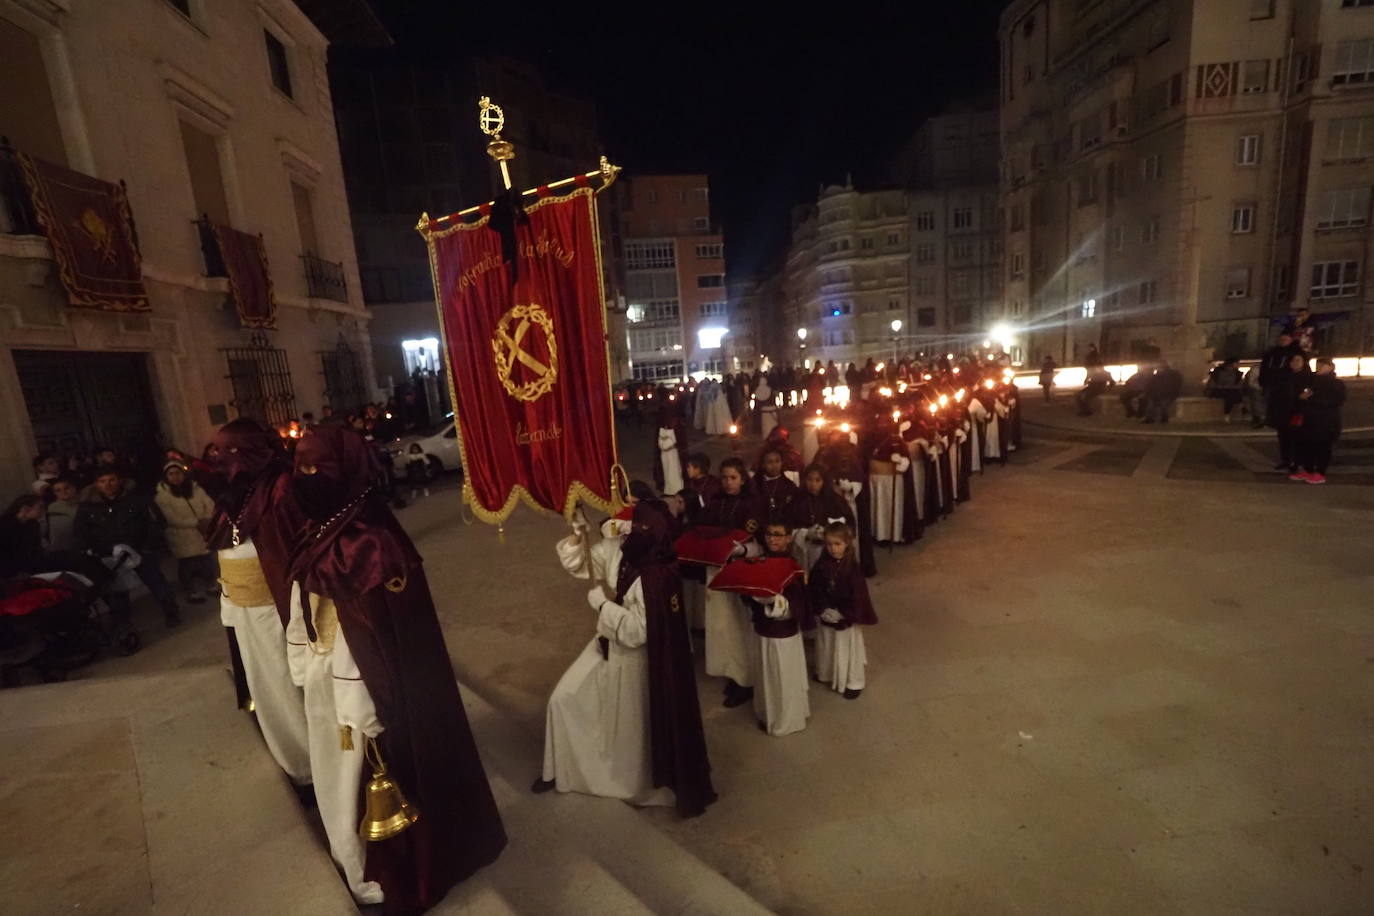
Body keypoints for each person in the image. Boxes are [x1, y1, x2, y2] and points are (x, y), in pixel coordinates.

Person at [287, 426, 506, 909]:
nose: (304, 479)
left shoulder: (372, 541)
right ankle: (351, 855)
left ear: (345, 471)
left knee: (359, 781)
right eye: (299, 467)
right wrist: (302, 661)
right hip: (326, 678)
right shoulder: (322, 528)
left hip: (362, 690)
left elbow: (374, 636)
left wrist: (359, 698)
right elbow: (307, 602)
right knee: (332, 777)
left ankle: (386, 869)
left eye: (315, 468)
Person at [539, 498, 717, 817]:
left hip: (637, 660)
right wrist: (579, 532)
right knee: (563, 697)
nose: (620, 530)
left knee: (629, 728)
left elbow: (638, 633)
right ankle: (559, 768)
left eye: (630, 526)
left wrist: (602, 606)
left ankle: (618, 778)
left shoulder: (657, 575)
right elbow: (581, 564)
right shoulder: (622, 547)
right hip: (608, 639)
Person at [205, 419, 312, 786]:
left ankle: (318, 764)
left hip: (284, 609)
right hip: (248, 612)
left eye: (229, 451)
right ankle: (299, 765)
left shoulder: (281, 487)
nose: (220, 459)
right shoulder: (234, 494)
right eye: (216, 450)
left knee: (293, 683)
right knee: (269, 688)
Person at [75, 468, 182, 627]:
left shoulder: (137, 499)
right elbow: (81, 531)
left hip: (139, 550)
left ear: (119, 481)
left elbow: (156, 522)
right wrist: (95, 550)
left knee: (156, 582)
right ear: (96, 484)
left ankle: (171, 611)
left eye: (111, 480)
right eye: (102, 481)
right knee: (118, 590)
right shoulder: (88, 507)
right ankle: (123, 624)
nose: (108, 485)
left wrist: (146, 545)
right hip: (110, 555)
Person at [696, 457, 760, 708]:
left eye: (733, 477)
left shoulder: (751, 505)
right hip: (716, 567)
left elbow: (754, 535)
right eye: (724, 477)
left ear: (743, 479)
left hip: (739, 569)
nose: (728, 482)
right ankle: (732, 672)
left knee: (738, 624)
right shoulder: (717, 502)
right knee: (721, 625)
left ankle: (745, 679)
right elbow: (702, 525)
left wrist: (740, 549)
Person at [743, 522, 812, 737]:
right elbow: (747, 591)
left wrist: (776, 602)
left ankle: (786, 718)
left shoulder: (793, 566)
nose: (773, 539)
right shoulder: (758, 562)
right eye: (769, 534)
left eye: (778, 535)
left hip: (783, 632)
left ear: (789, 538)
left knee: (783, 676)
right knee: (766, 674)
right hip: (763, 629)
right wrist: (754, 597)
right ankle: (768, 714)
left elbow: (800, 603)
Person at [807, 522, 878, 699]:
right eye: (829, 544)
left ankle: (853, 682)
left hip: (845, 617)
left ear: (847, 543)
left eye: (837, 544)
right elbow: (815, 588)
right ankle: (827, 673)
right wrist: (822, 608)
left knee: (847, 649)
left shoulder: (853, 569)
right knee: (827, 646)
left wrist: (844, 614)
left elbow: (858, 597)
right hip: (827, 614)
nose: (833, 548)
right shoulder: (821, 564)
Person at [153, 461, 217, 604]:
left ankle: (211, 585)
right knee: (187, 565)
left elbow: (209, 504)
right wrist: (195, 523)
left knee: (207, 561)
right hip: (181, 536)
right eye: (171, 474)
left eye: (178, 473)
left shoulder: (196, 489)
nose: (175, 477)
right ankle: (192, 591)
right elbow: (170, 518)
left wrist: (207, 519)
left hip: (202, 533)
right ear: (166, 477)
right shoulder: (162, 496)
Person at [1294, 357, 1345, 484]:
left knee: (1323, 446)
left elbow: (1335, 401)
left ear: (1331, 367)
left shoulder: (1336, 383)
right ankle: (1308, 469)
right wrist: (1302, 399)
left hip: (1326, 420)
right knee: (1307, 445)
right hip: (1310, 419)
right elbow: (1302, 396)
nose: (1319, 367)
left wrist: (1311, 400)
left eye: (1323, 365)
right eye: (1318, 365)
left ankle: (1320, 472)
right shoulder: (1312, 381)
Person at [1271, 353, 1312, 473]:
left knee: (1298, 438)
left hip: (1300, 411)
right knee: (1284, 437)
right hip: (1284, 411)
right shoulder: (1283, 376)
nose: (1295, 362)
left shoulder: (1308, 377)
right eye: (1293, 360)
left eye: (1298, 360)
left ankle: (1298, 461)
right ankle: (1286, 460)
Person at [0, 494, 47, 580]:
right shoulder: (4, 525)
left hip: (28, 570)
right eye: (40, 507)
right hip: (7, 574)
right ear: (25, 509)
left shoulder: (33, 525)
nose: (44, 510)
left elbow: (35, 550)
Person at [1260, 332, 1301, 428]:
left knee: (1284, 403)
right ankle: (1270, 421)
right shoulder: (1272, 352)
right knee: (1270, 402)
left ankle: (1284, 421)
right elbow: (1264, 366)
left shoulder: (1294, 352)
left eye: (1285, 339)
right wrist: (1263, 378)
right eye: (1281, 339)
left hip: (1286, 382)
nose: (1283, 341)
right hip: (1271, 381)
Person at [755, 447, 799, 529]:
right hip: (762, 528)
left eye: (777, 461)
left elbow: (794, 511)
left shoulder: (789, 485)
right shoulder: (755, 484)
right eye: (770, 462)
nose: (774, 465)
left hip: (784, 528)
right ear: (763, 465)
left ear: (782, 463)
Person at [41, 477, 83, 555]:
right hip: (58, 552)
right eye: (58, 490)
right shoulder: (50, 509)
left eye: (66, 488)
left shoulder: (84, 506)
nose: (63, 492)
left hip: (81, 550)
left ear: (74, 488)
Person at [681, 453, 718, 525]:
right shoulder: (690, 483)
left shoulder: (712, 484)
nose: (687, 470)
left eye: (689, 467)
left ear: (697, 469)